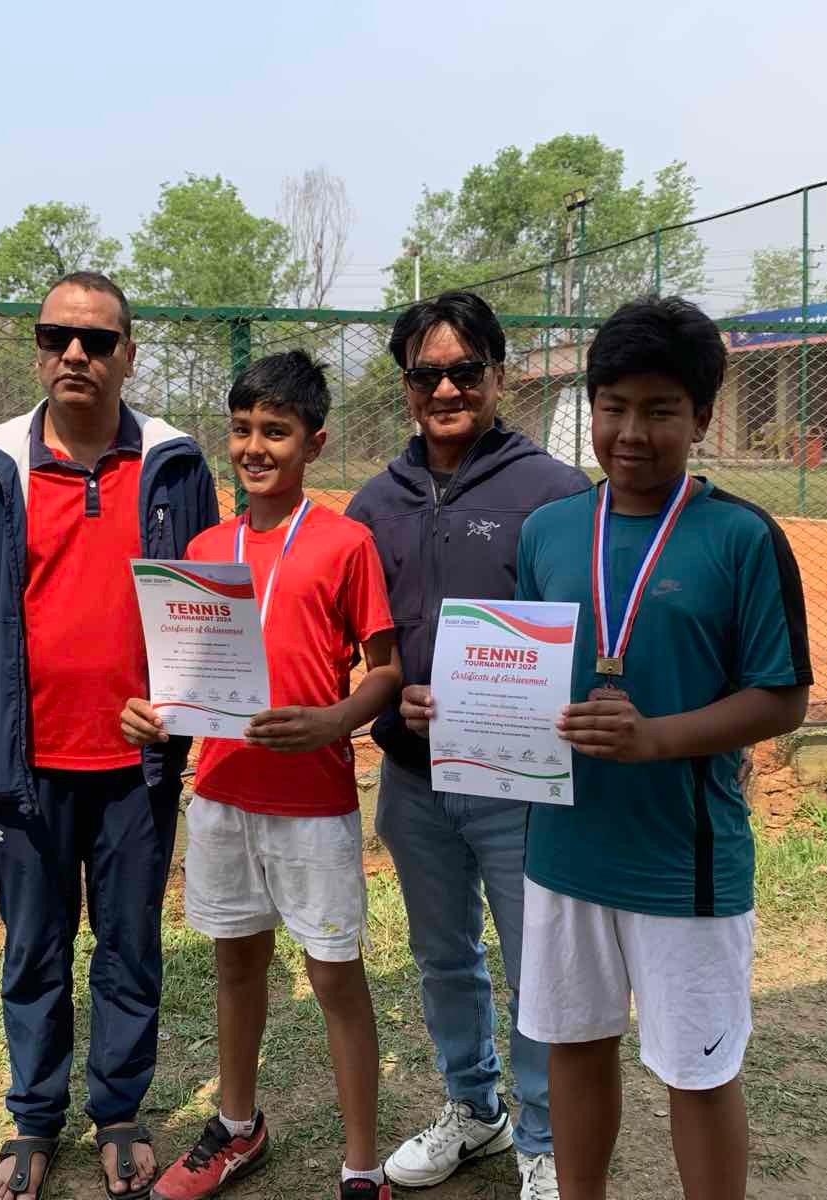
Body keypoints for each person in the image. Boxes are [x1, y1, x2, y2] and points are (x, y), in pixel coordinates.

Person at [488, 296, 811, 1200]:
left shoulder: (742, 537)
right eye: (614, 407)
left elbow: (783, 695)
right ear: (591, 409)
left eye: (661, 410)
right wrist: (467, 712)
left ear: (701, 417)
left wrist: (655, 738)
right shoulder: (549, 531)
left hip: (684, 862)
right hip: (563, 851)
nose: (632, 433)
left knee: (698, 1072)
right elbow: (525, 671)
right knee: (575, 1048)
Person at [0, 271, 220, 1200]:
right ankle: (34, 1118)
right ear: (39, 350)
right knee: (34, 953)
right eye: (56, 337)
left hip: (137, 769)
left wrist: (182, 713)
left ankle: (119, 1110)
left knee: (129, 947)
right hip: (22, 770)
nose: (75, 354)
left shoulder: (175, 465)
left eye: (96, 340)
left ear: (129, 354)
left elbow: (207, 615)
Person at [120, 351, 403, 1200]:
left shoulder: (347, 543)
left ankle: (362, 1167)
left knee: (334, 977)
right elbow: (181, 679)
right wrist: (154, 712)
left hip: (312, 801)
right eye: (242, 429)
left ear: (314, 442)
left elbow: (386, 671)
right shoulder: (207, 549)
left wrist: (335, 720)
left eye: (275, 431)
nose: (254, 447)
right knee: (237, 966)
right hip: (223, 792)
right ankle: (238, 1127)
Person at [344, 291, 589, 1200]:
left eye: (464, 371)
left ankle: (543, 1137)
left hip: (519, 786)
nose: (445, 390)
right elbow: (361, 643)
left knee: (537, 967)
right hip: (413, 780)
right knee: (443, 957)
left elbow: (591, 634)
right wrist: (390, 691)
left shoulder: (555, 494)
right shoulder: (375, 504)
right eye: (425, 374)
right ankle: (475, 1108)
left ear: (499, 376)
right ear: (406, 386)